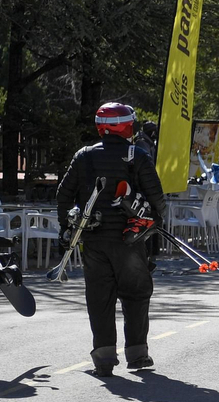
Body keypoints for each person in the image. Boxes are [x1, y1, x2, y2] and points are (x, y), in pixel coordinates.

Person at [56, 102, 167, 376]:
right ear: (128, 125)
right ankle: (138, 355)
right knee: (136, 296)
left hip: (93, 241)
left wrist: (66, 226)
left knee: (99, 299)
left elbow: (63, 196)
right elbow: (158, 203)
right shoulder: (138, 156)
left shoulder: (84, 156)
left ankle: (104, 360)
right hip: (130, 240)